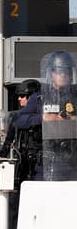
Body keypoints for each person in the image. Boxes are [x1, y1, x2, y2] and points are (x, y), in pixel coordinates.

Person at [0, 78, 41, 229]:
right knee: (13, 209)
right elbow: (8, 143)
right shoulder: (17, 118)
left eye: (23, 96)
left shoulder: (41, 116)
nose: (20, 99)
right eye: (20, 96)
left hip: (38, 167)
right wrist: (1, 156)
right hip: (20, 168)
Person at [39, 50, 77, 181]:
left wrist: (72, 119)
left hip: (73, 155)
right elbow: (19, 119)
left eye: (65, 71)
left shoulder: (75, 94)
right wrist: (44, 118)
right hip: (51, 155)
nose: (62, 75)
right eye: (58, 71)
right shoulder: (41, 95)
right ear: (51, 73)